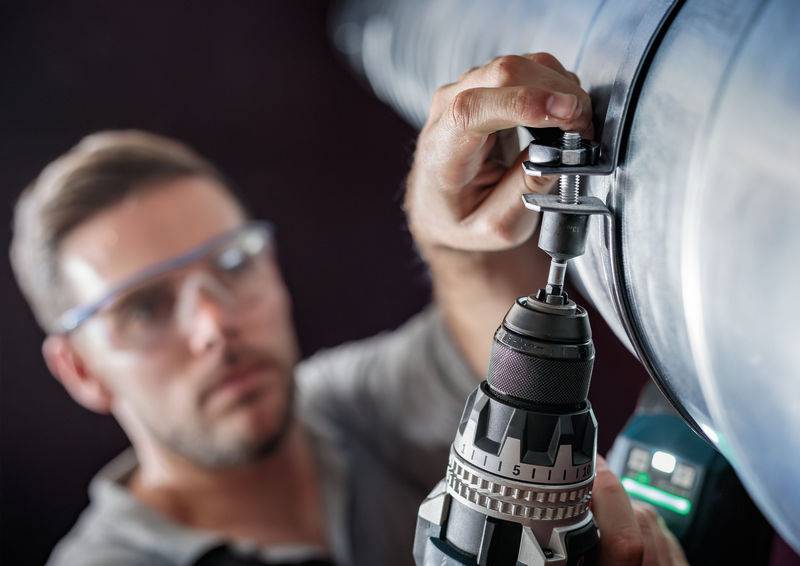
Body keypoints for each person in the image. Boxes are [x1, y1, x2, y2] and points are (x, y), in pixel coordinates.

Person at [10, 53, 686, 566]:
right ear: (80, 371)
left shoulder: (345, 407)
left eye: (234, 264)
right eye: (145, 309)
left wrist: (450, 233)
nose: (214, 325)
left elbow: (491, 349)